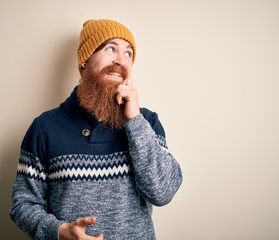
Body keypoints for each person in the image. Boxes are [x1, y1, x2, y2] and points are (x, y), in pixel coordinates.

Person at [10, 19, 183, 240]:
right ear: (85, 61)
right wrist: (60, 231)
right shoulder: (45, 127)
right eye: (111, 49)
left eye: (129, 53)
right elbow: (23, 204)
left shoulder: (146, 122)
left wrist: (134, 121)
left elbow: (163, 192)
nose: (121, 60)